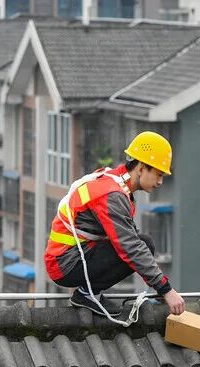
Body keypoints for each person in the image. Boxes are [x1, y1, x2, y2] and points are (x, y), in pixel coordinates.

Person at [45, 131, 186, 318]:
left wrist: (159, 287)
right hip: (65, 265)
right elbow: (130, 247)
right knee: (140, 246)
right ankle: (88, 294)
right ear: (141, 168)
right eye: (158, 174)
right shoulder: (112, 195)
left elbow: (131, 240)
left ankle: (89, 292)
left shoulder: (116, 183)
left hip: (72, 256)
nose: (160, 182)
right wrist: (166, 289)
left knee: (144, 244)